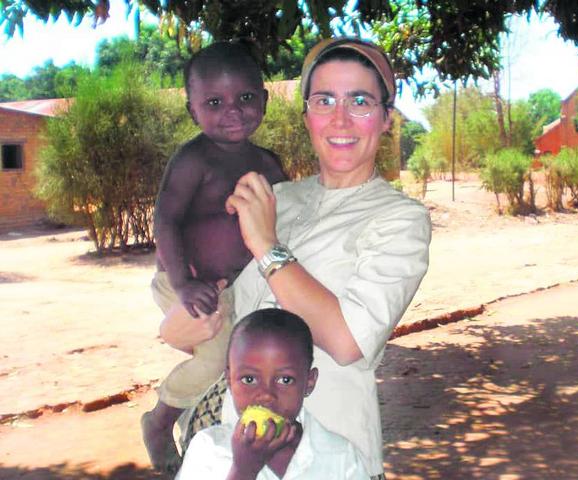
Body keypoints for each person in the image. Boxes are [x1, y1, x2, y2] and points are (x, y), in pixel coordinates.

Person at [161, 37, 432, 478]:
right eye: (324, 100)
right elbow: (214, 322)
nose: (340, 118)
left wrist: (267, 246)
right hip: (233, 447)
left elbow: (348, 341)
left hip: (330, 455)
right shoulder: (276, 197)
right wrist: (185, 314)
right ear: (307, 114)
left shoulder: (400, 220)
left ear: (385, 119)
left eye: (360, 101)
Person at [142, 40, 286, 471]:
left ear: (263, 100)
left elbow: (284, 222)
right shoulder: (192, 161)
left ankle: (214, 433)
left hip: (238, 288)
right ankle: (159, 419)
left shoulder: (270, 164)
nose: (233, 111)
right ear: (193, 111)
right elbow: (165, 220)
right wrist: (183, 284)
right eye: (214, 102)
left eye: (245, 98)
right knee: (216, 352)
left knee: (250, 357)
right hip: (185, 282)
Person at [176, 308, 369, 479]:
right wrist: (243, 471)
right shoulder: (209, 450)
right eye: (249, 379)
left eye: (285, 380)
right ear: (229, 380)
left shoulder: (340, 455)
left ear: (309, 382)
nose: (266, 394)